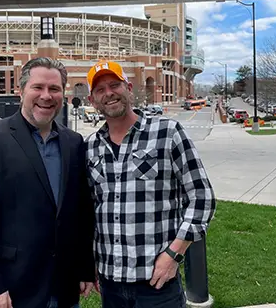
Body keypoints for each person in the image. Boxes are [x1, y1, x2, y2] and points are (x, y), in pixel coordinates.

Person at [0, 57, 95, 308]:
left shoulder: (73, 143)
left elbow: (80, 212)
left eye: (54, 89)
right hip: (11, 290)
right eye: (38, 87)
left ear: (62, 94)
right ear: (21, 91)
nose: (46, 95)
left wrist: (85, 267)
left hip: (63, 288)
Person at [84, 60, 216, 308]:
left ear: (129, 88)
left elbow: (201, 196)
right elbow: (90, 211)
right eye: (100, 90)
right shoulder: (90, 146)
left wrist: (174, 254)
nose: (109, 93)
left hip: (157, 284)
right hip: (110, 285)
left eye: (115, 85)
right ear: (92, 100)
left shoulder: (167, 132)